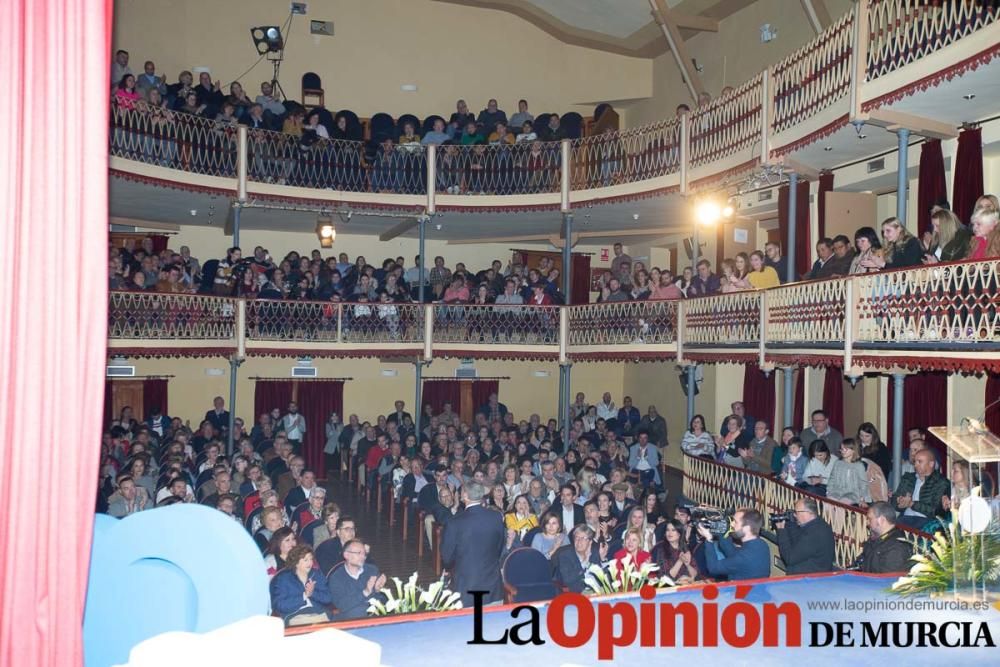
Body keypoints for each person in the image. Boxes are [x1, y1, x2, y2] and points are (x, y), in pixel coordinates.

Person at [440, 482, 506, 606]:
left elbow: (447, 557)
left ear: (465, 496)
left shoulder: (454, 523)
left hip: (467, 586)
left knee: (468, 624)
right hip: (492, 585)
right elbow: (499, 547)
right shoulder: (496, 517)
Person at [269, 544, 333, 626]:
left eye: (311, 559)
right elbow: (280, 605)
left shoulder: (316, 574)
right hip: (295, 615)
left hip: (319, 613)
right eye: (305, 560)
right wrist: (304, 596)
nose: (310, 563)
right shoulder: (284, 579)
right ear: (296, 562)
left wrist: (313, 593)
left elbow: (328, 598)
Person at [698, 508, 770, 580]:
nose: (732, 524)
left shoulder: (744, 557)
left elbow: (713, 568)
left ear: (747, 528)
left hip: (741, 590)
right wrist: (721, 530)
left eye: (735, 522)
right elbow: (732, 554)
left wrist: (708, 539)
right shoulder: (762, 545)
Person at [327, 539, 386, 619]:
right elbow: (342, 606)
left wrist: (378, 590)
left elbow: (382, 600)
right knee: (357, 612)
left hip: (373, 617)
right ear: (346, 555)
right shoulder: (336, 578)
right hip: (350, 620)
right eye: (359, 553)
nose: (363, 557)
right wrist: (365, 592)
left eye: (364, 553)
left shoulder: (372, 570)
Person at [893, 449, 950, 531]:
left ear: (931, 464)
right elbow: (894, 501)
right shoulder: (908, 478)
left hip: (926, 521)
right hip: (905, 518)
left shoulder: (941, 482)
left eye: (920, 462)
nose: (915, 465)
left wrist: (912, 504)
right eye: (915, 462)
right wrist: (899, 502)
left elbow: (937, 511)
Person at [774, 498, 835, 574]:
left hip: (808, 581)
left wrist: (781, 530)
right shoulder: (817, 525)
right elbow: (796, 541)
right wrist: (790, 523)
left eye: (796, 512)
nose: (794, 515)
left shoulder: (816, 533)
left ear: (807, 512)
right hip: (808, 578)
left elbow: (790, 558)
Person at [859, 502, 914, 574]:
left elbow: (887, 581)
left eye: (870, 519)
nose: (867, 523)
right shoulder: (876, 539)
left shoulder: (897, 548)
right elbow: (860, 563)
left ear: (881, 520)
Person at [555, 525, 608, 593]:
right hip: (575, 593)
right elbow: (568, 579)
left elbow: (605, 577)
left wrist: (602, 559)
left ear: (590, 542)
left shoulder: (595, 552)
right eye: (576, 538)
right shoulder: (565, 555)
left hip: (596, 592)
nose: (579, 541)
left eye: (583, 538)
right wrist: (585, 561)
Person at [826, 439, 872, 506]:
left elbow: (863, 483)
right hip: (837, 491)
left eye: (846, 449)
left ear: (853, 450)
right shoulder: (838, 463)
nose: (843, 451)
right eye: (841, 449)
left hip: (853, 493)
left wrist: (863, 498)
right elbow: (832, 478)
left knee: (842, 504)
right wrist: (829, 491)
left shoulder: (858, 466)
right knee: (829, 501)